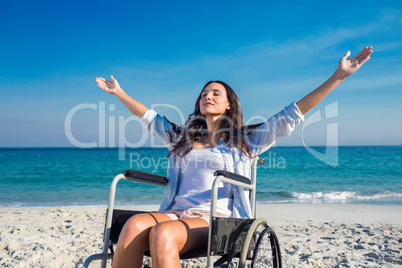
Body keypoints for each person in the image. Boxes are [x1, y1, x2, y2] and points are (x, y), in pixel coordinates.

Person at [95, 47, 372, 268]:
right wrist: (118, 92)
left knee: (162, 234)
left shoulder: (246, 141)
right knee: (133, 225)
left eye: (216, 93)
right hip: (173, 213)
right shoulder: (183, 139)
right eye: (204, 93)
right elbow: (150, 118)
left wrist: (338, 77)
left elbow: (292, 114)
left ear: (229, 104)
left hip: (217, 220)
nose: (208, 96)